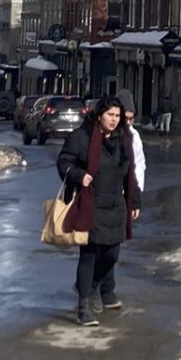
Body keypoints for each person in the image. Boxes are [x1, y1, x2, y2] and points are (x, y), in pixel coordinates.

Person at [59, 93, 142, 325]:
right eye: (110, 115)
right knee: (89, 255)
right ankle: (84, 305)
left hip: (115, 205)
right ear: (99, 115)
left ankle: (93, 286)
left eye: (118, 116)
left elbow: (130, 173)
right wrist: (78, 175)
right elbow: (64, 162)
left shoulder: (123, 139)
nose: (114, 120)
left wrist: (135, 201)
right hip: (90, 203)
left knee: (111, 255)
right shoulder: (81, 138)